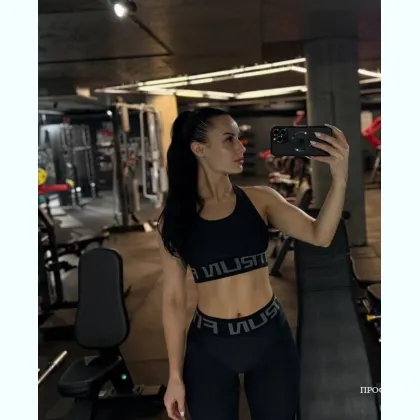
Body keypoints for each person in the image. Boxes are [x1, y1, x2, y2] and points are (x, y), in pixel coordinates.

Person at [157, 107, 349, 420]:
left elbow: (321, 235)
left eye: (239, 138)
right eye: (229, 139)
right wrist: (175, 377)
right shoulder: (176, 220)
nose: (241, 147)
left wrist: (339, 180)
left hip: (269, 339)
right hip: (210, 348)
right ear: (199, 149)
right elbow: (174, 301)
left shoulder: (261, 199)